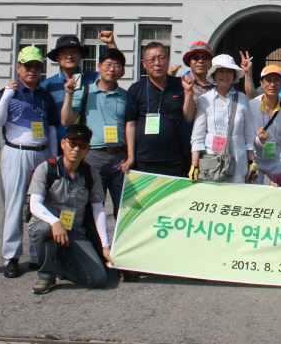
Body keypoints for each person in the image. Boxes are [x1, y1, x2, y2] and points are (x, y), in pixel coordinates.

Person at [0, 46, 60, 278]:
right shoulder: (8, 92)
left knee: (40, 204)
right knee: (15, 204)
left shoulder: (44, 96)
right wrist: (8, 94)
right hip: (16, 153)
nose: (32, 70)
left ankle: (38, 254)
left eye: (36, 67)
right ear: (18, 67)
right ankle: (11, 256)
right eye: (27, 66)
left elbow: (50, 129)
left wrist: (52, 155)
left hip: (41, 154)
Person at [27, 124, 110, 295]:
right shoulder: (46, 168)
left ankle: (60, 266)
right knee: (41, 229)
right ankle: (46, 275)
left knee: (99, 279)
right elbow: (34, 204)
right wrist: (55, 222)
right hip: (48, 227)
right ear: (63, 143)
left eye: (82, 146)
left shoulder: (90, 174)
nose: (76, 149)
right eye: (73, 144)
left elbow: (98, 209)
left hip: (75, 231)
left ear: (87, 150)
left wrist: (105, 245)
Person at [60, 47, 136, 219]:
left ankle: (118, 245)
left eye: (117, 65)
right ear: (99, 67)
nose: (112, 69)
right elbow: (66, 120)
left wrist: (130, 157)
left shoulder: (126, 96)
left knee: (124, 208)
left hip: (119, 157)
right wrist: (69, 95)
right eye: (108, 64)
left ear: (122, 71)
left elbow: (129, 126)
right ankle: (95, 244)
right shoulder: (86, 91)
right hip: (93, 156)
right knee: (93, 205)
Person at [127, 41, 196, 177]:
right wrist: (130, 157)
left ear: (168, 60)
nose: (157, 63)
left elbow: (188, 117)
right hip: (145, 160)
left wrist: (188, 94)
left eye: (161, 58)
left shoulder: (180, 85)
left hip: (176, 159)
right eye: (152, 59)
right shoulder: (136, 89)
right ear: (144, 64)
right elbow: (130, 124)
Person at [190, 54, 257, 184]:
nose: (224, 75)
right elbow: (198, 134)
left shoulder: (243, 99)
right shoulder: (204, 100)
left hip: (238, 161)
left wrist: (252, 161)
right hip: (212, 162)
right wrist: (195, 164)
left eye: (228, 71)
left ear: (234, 76)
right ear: (214, 74)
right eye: (220, 71)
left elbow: (249, 135)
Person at [41, 32, 114, 139]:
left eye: (74, 52)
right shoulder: (48, 85)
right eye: (65, 53)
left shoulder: (93, 79)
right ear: (57, 58)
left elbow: (112, 71)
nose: (70, 56)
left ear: (80, 56)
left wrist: (111, 45)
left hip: (88, 145)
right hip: (59, 144)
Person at [250, 64, 281, 182]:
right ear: (261, 83)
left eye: (276, 80)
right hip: (257, 164)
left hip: (279, 166)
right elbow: (247, 138)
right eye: (268, 80)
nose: (272, 84)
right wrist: (259, 140)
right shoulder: (252, 105)